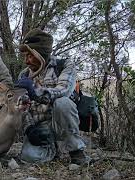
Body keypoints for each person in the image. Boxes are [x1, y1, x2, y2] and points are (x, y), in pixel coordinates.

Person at [15, 29, 90, 165]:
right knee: (30, 158)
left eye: (30, 56)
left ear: (41, 53)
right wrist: (29, 128)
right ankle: (52, 149)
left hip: (61, 123)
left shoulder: (64, 65)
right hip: (40, 126)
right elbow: (22, 107)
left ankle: (76, 152)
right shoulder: (24, 75)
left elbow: (63, 90)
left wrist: (35, 92)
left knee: (63, 103)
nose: (26, 61)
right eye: (24, 56)